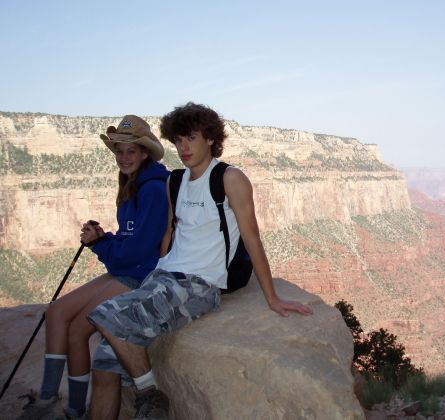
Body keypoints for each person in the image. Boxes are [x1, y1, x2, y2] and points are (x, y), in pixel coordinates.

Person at [86, 102, 313, 419]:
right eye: (178, 140)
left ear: (210, 138)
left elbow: (252, 237)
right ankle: (141, 390)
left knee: (104, 315)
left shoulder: (230, 178)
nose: (183, 147)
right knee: (103, 366)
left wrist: (272, 298)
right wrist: (154, 276)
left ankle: (150, 392)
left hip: (199, 285)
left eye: (191, 138)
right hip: (164, 278)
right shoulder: (174, 181)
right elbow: (168, 236)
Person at [17, 116, 169, 420]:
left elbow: (137, 249)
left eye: (130, 151)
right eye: (119, 152)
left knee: (77, 330)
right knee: (56, 312)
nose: (123, 158)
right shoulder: (133, 184)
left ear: (144, 154)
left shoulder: (152, 189)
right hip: (126, 268)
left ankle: (74, 410)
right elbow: (129, 239)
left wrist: (101, 245)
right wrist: (103, 237)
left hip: (140, 275)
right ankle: (49, 400)